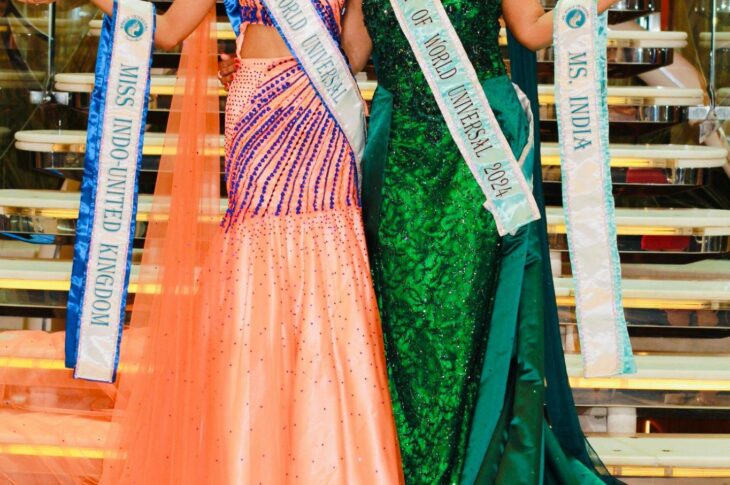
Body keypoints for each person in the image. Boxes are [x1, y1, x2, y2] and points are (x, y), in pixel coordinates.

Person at [221, 0, 625, 483]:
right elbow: (349, 56)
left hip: (476, 149)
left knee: (464, 311)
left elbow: (532, 29)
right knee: (403, 317)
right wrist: (263, 63)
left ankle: (469, 467)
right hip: (398, 153)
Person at [11, 0, 403, 483]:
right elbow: (168, 29)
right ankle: (252, 453)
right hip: (258, 109)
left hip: (323, 115)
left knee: (327, 270)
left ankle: (325, 455)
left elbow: (353, 52)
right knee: (258, 274)